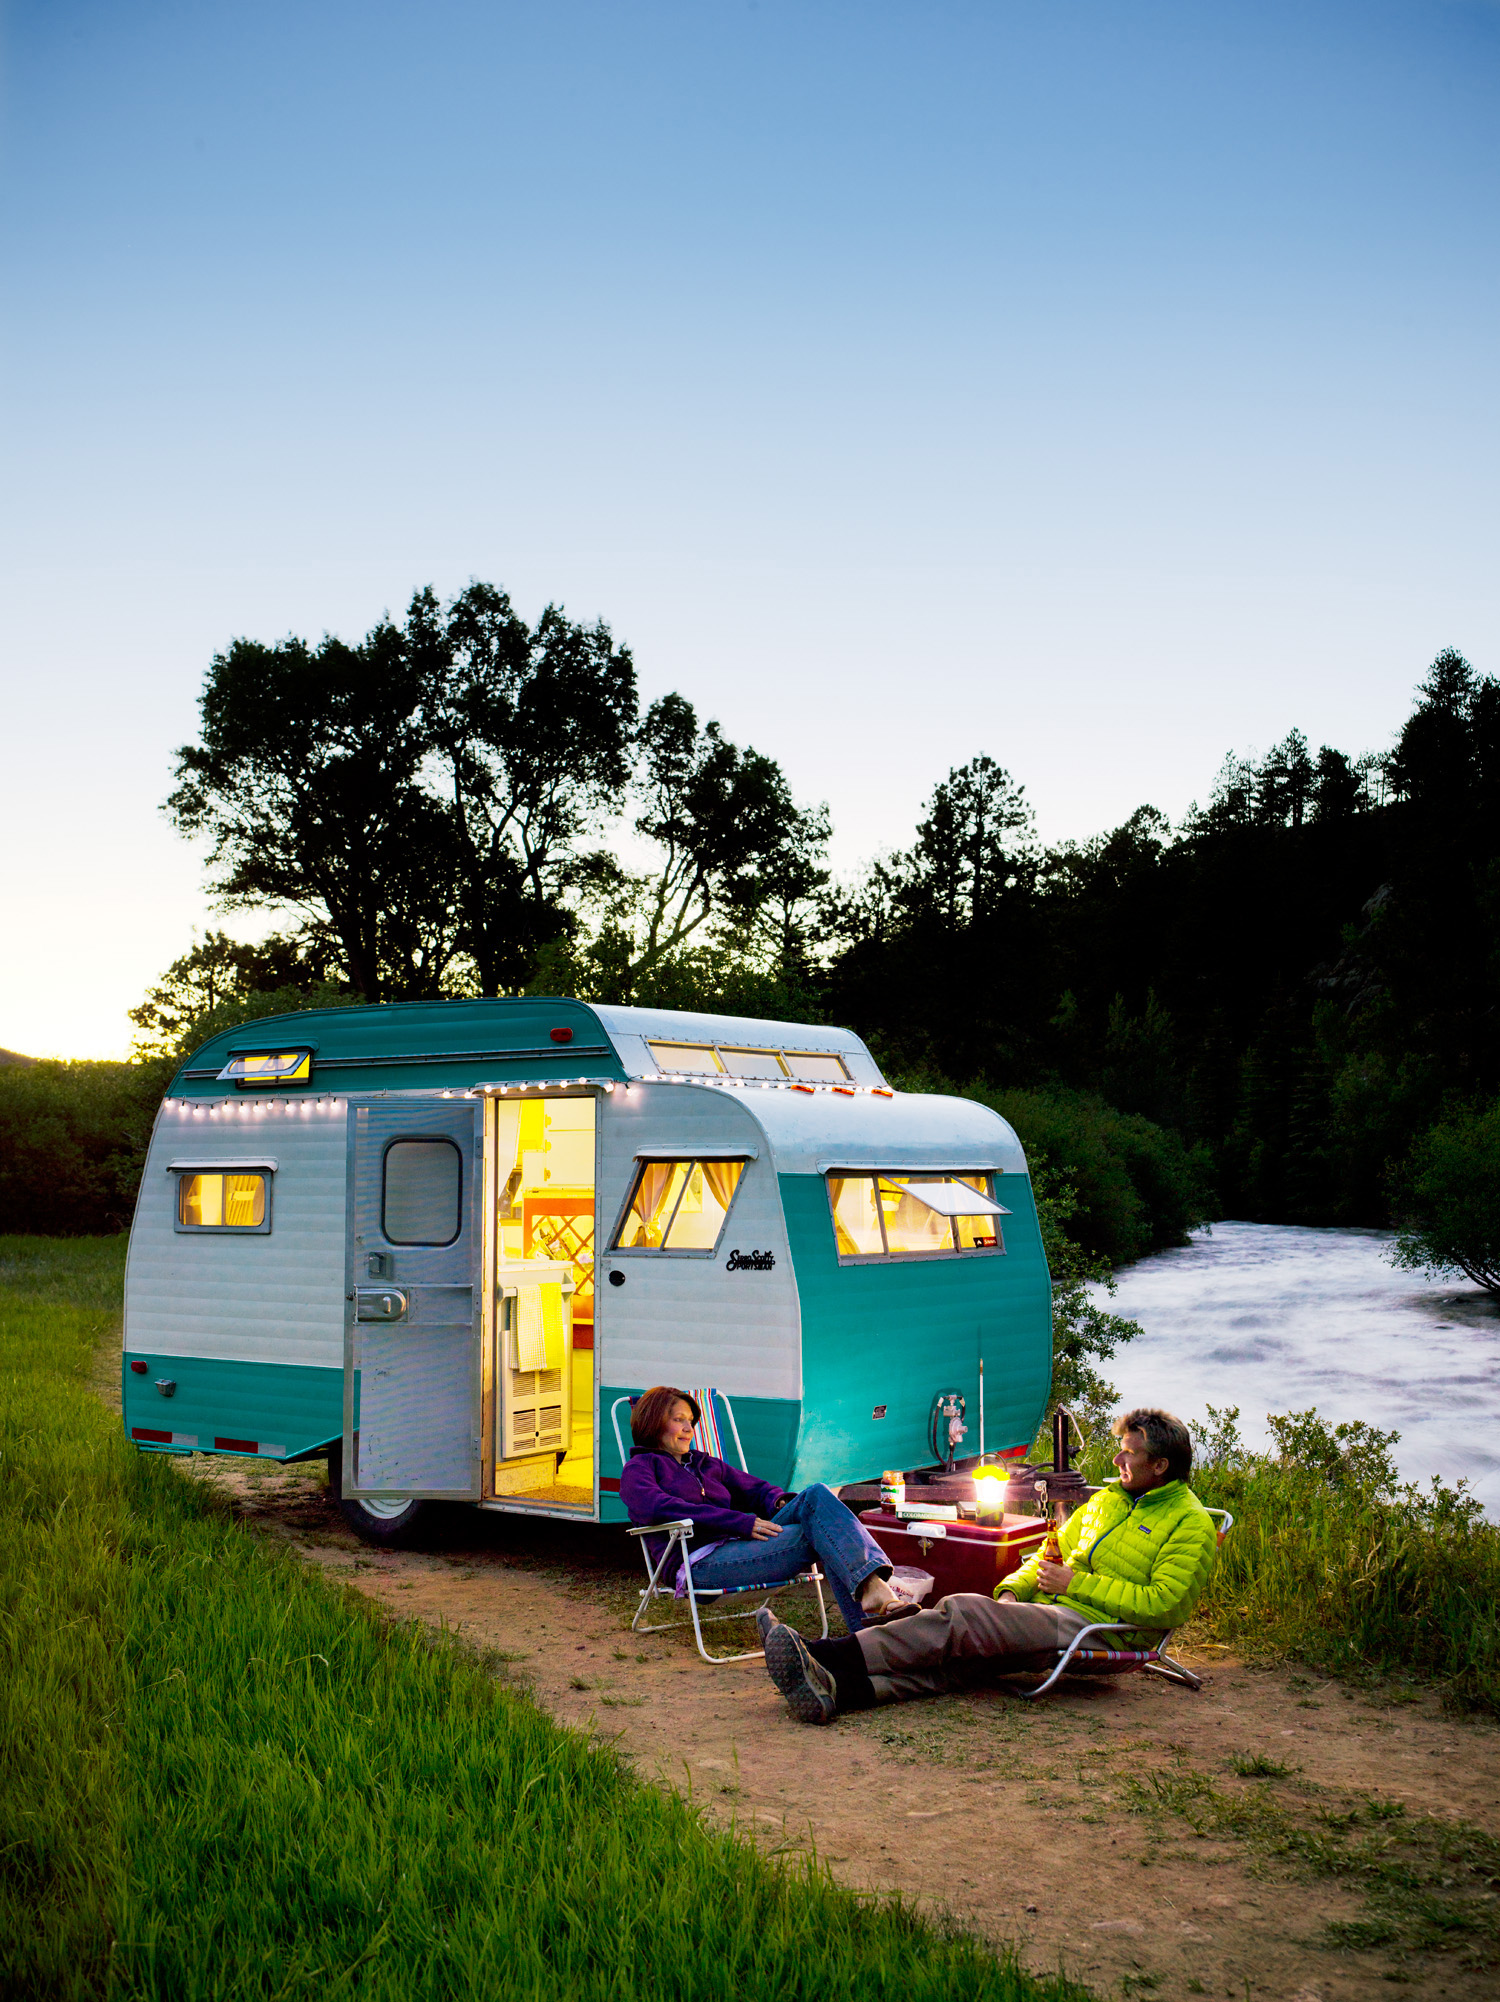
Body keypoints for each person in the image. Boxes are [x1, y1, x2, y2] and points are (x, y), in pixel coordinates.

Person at [758, 1406, 1221, 1723]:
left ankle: (821, 1655)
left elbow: (1165, 1605)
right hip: (1054, 1612)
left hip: (1106, 1630)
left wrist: (1073, 1584)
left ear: (1160, 1466)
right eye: (1119, 1446)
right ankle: (838, 1690)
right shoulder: (1107, 1502)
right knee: (965, 1658)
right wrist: (1014, 1590)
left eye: (1129, 1452)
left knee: (964, 1613)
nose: (1117, 1458)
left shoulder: (1190, 1523)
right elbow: (1048, 1555)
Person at [619, 1385, 922, 1632]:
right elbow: (658, 1508)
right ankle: (875, 1606)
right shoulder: (639, 1469)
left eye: (691, 1421)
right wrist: (739, 1522)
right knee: (827, 1533)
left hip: (738, 1547)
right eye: (679, 1420)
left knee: (817, 1498)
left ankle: (871, 1604)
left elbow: (756, 1489)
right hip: (699, 1564)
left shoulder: (704, 1463)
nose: (689, 1429)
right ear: (654, 1422)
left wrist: (778, 1502)